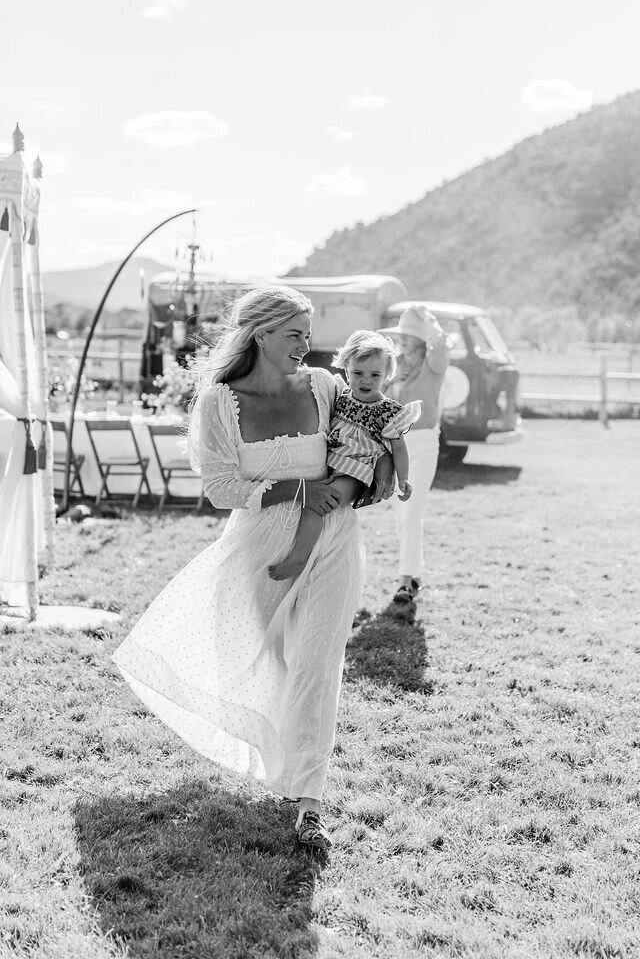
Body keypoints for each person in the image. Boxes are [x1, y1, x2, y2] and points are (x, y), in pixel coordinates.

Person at [111, 286, 394, 851]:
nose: (306, 345)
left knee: (318, 664)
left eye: (308, 335)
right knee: (273, 661)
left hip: (333, 538)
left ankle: (309, 801)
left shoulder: (323, 386)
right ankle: (282, 759)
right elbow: (220, 488)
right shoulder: (220, 402)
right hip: (259, 547)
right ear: (261, 334)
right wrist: (296, 488)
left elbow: (366, 431)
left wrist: (384, 463)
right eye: (294, 335)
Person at [268, 329, 422, 580]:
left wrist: (403, 477)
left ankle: (299, 558)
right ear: (346, 370)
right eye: (358, 373)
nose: (366, 381)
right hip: (331, 464)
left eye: (375, 375)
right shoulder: (341, 396)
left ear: (387, 375)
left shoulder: (387, 412)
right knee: (305, 499)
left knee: (316, 505)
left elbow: (399, 448)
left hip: (356, 472)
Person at [383, 304, 451, 603]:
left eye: (411, 340)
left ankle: (404, 581)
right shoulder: (394, 365)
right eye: (403, 339)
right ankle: (413, 574)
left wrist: (429, 320)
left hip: (423, 443)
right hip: (394, 444)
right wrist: (394, 379)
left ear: (423, 342)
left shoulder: (434, 365)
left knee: (411, 511)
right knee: (403, 514)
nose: (405, 346)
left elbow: (441, 343)